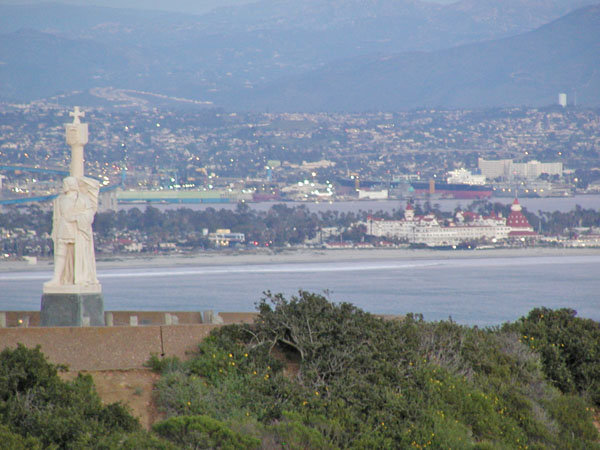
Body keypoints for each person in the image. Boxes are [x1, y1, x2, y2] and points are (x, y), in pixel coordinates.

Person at [45, 176, 100, 287]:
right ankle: (57, 278)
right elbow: (57, 217)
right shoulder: (60, 199)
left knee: (78, 252)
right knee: (60, 252)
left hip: (77, 228)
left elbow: (89, 214)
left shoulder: (82, 199)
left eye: (65, 184)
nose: (64, 186)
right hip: (63, 227)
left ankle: (79, 277)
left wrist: (76, 217)